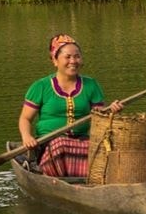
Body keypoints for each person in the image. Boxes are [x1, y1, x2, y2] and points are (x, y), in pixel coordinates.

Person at [20, 34, 122, 178]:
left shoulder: (91, 85)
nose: (73, 61)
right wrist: (27, 137)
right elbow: (25, 118)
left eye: (77, 56)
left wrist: (111, 111)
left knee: (102, 150)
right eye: (67, 57)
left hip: (82, 141)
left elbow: (99, 117)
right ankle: (52, 177)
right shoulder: (40, 86)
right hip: (50, 143)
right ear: (55, 60)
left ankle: (90, 180)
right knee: (60, 145)